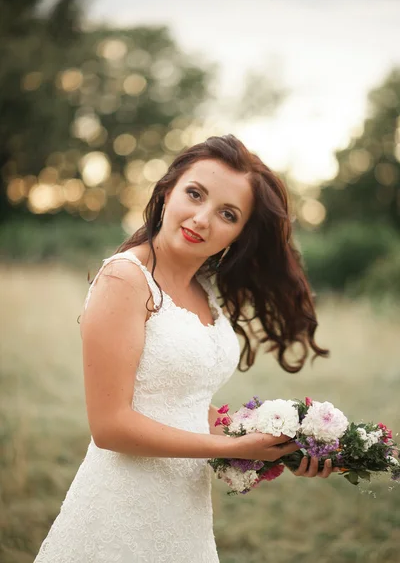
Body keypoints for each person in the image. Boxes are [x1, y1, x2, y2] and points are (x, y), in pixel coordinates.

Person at [34, 134, 338, 563]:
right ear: (167, 190)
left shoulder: (207, 289)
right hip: (120, 507)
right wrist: (235, 449)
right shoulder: (126, 279)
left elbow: (181, 404)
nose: (201, 219)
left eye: (227, 214)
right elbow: (110, 428)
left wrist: (289, 443)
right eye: (194, 194)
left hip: (184, 509)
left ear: (240, 233)